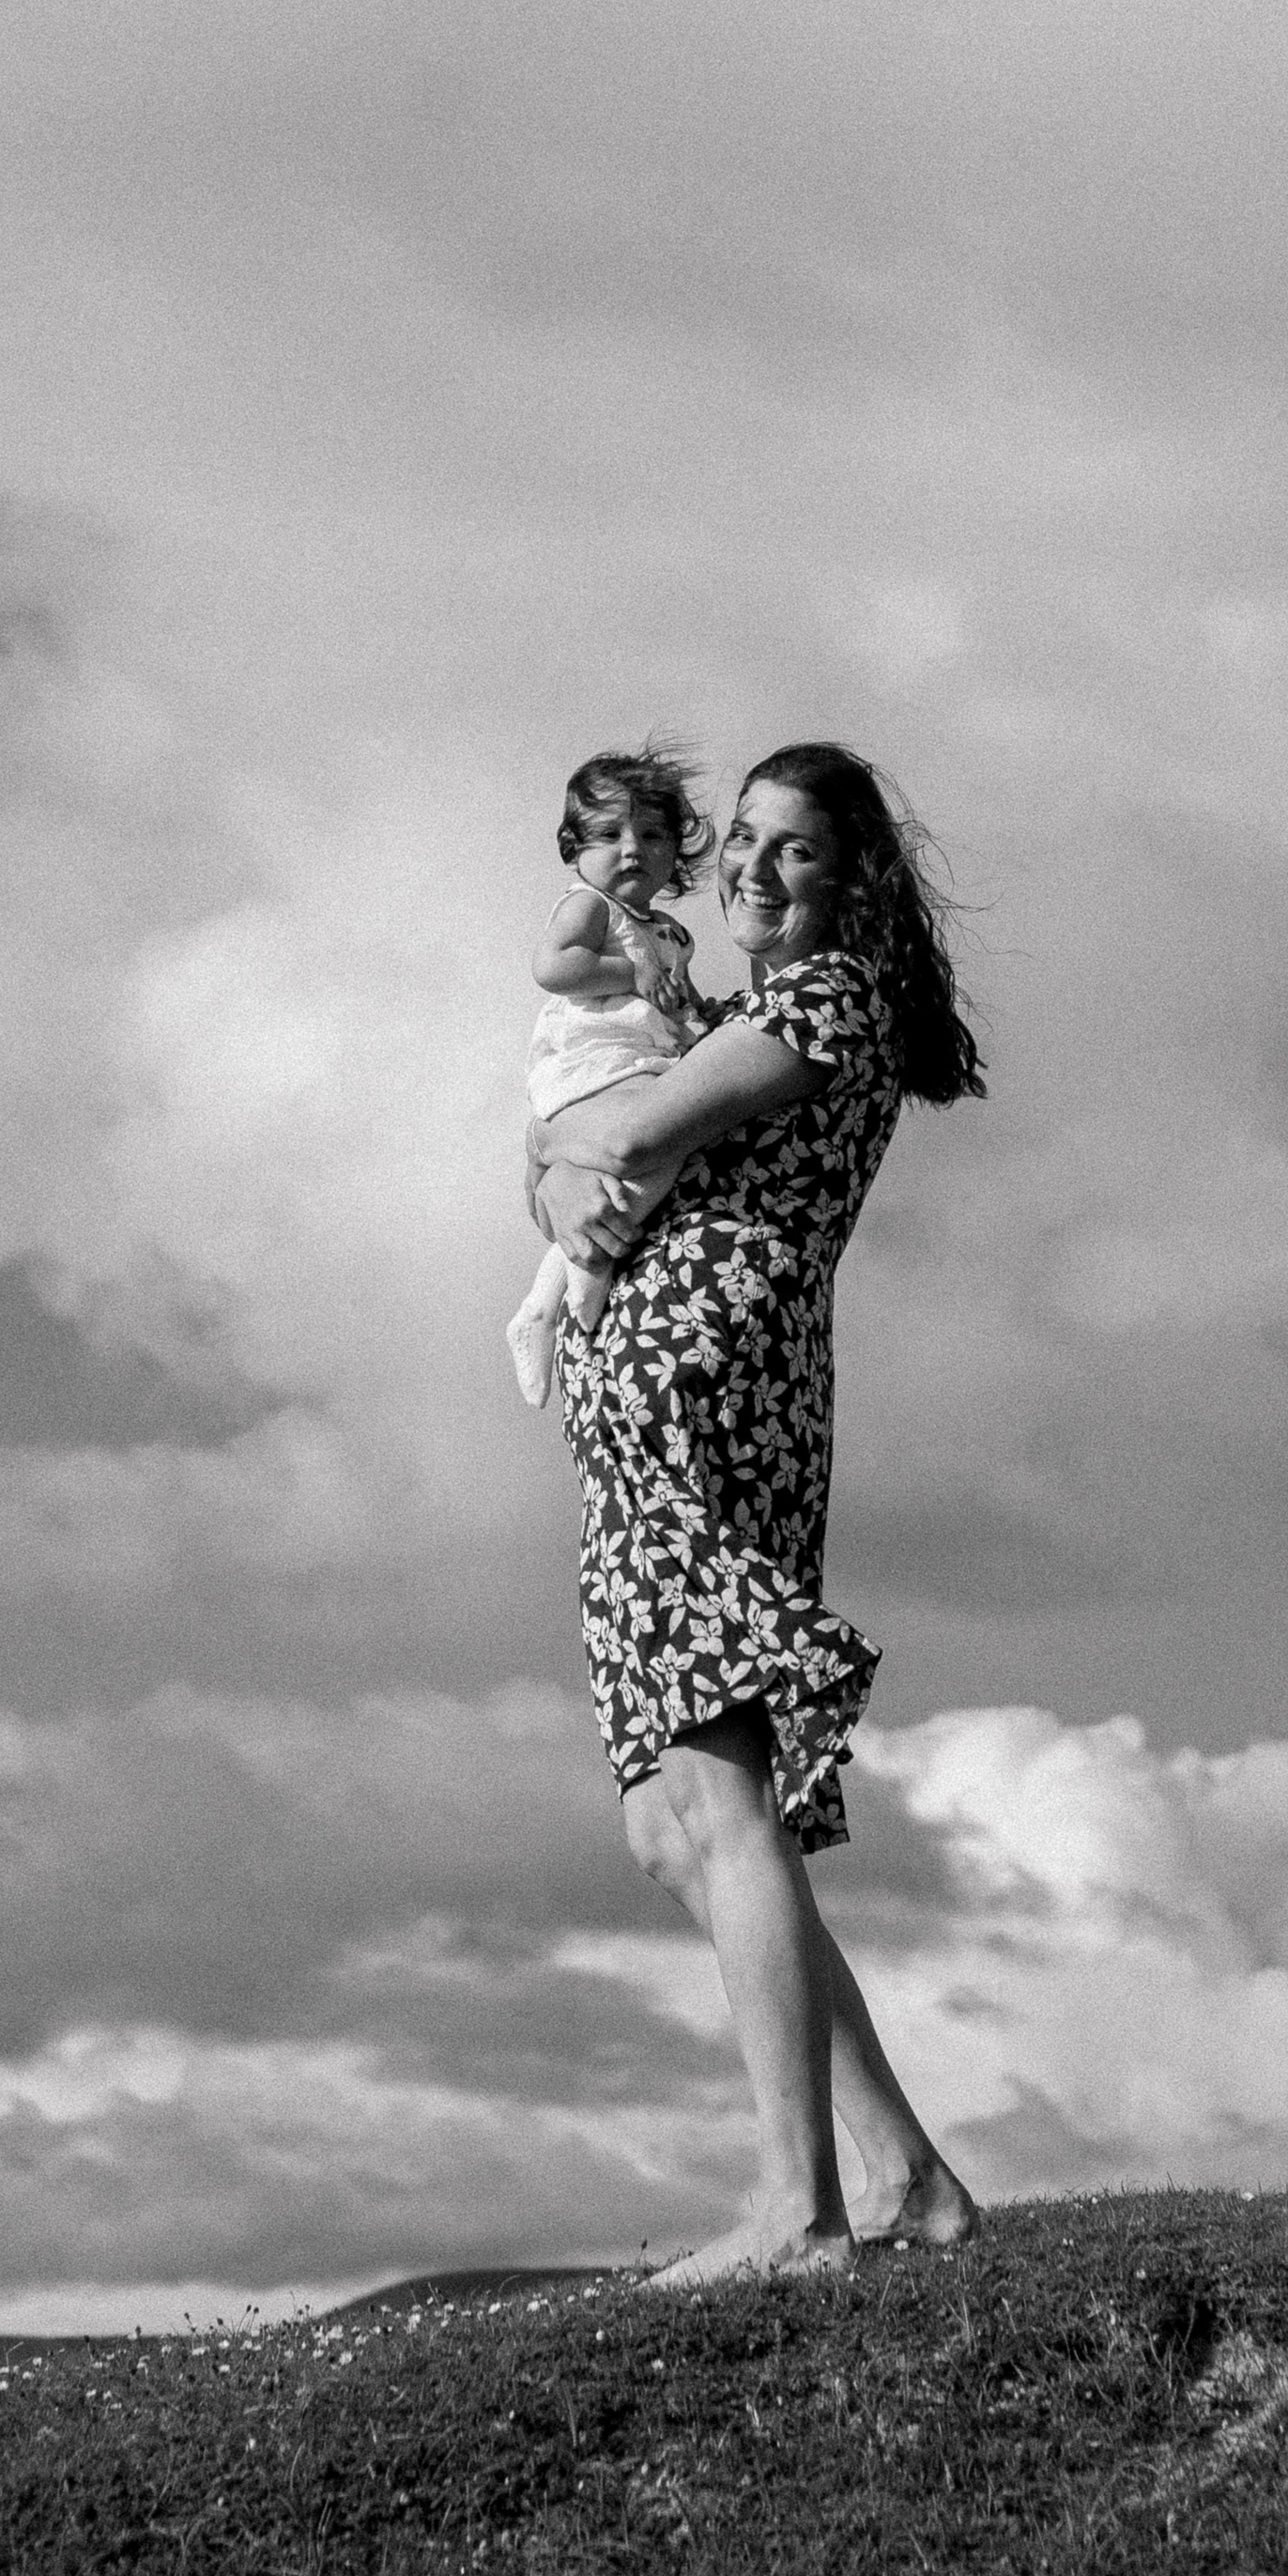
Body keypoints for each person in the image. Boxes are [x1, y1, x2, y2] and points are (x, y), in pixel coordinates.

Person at [528, 740, 985, 2285]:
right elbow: (594, 1145)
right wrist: (569, 1158)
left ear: (853, 874)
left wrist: (560, 1150)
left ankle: (804, 2212)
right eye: (749, 844)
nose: (759, 872)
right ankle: (904, 2176)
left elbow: (625, 1138)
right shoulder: (741, 1007)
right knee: (675, 1825)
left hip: (712, 1388)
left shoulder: (823, 999)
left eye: (798, 850)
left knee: (722, 1802)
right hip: (667, 1400)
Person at [507, 746, 714, 1411]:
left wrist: (695, 1016)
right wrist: (631, 973)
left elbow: (674, 994)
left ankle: (544, 1304)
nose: (632, 849)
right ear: (574, 847)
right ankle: (583, 1276)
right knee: (653, 1151)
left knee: (641, 1170)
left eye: (651, 834)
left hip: (643, 1062)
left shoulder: (673, 934)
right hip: (591, 1062)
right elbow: (554, 968)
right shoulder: (591, 907)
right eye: (608, 834)